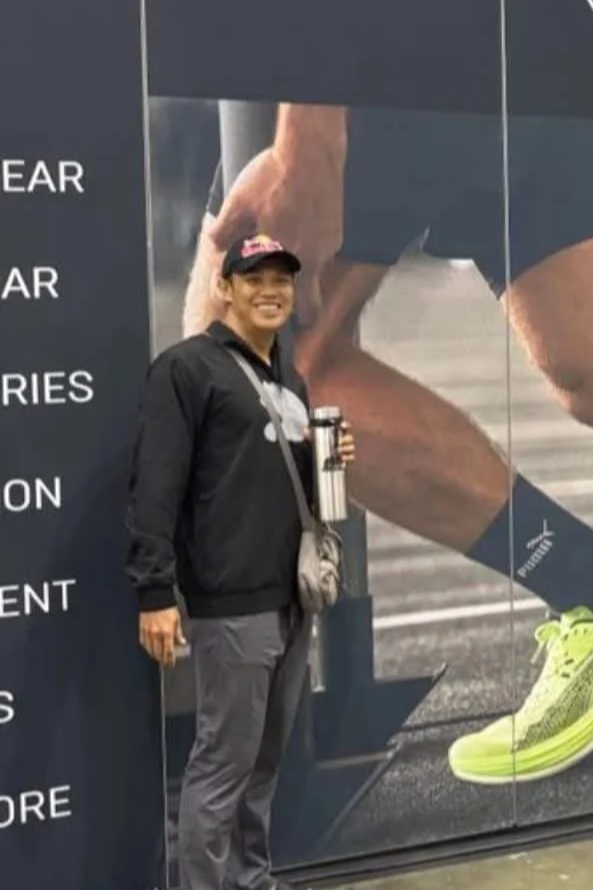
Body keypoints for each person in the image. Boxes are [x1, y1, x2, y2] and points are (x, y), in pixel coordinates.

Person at [181, 96, 593, 786]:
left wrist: (304, 141)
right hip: (517, 42)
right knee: (584, 362)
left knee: (258, 370)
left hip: (373, 71)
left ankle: (581, 578)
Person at [125, 233, 355, 890]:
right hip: (233, 607)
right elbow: (154, 485)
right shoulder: (187, 370)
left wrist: (330, 464)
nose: (269, 290)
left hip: (291, 599)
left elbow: (278, 487)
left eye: (280, 279)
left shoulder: (289, 377)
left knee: (261, 768)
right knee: (222, 769)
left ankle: (252, 881)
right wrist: (154, 592)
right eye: (253, 278)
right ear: (224, 287)